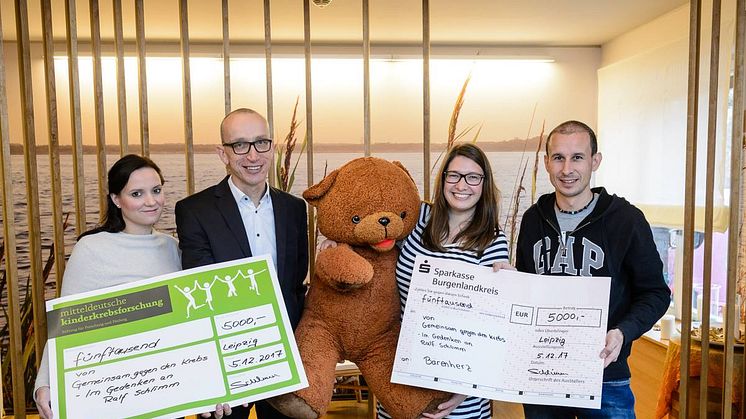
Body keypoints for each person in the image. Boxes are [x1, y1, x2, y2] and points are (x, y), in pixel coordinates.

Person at [515, 120, 671, 418]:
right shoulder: (533, 219)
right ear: (546, 163)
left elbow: (655, 293)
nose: (567, 169)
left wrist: (622, 333)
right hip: (542, 373)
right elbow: (526, 289)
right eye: (558, 158)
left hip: (605, 377)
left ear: (595, 161)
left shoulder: (626, 220)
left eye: (577, 157)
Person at [175, 108, 308, 419]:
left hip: (285, 355)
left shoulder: (294, 208)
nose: (252, 155)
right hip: (226, 359)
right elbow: (201, 289)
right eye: (240, 145)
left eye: (261, 143)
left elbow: (294, 286)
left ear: (272, 149)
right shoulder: (194, 211)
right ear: (223, 153)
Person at [33, 154, 181, 419]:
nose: (151, 201)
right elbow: (67, 322)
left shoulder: (174, 248)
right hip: (111, 392)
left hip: (166, 388)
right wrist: (45, 382)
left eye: (156, 190)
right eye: (137, 193)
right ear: (116, 199)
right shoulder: (91, 248)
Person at [381, 143, 510, 419]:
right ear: (443, 180)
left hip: (458, 392)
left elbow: (492, 328)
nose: (462, 185)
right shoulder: (418, 219)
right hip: (403, 372)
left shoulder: (493, 241)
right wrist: (337, 240)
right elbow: (375, 234)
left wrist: (461, 392)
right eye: (454, 175)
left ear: (484, 184)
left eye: (473, 177)